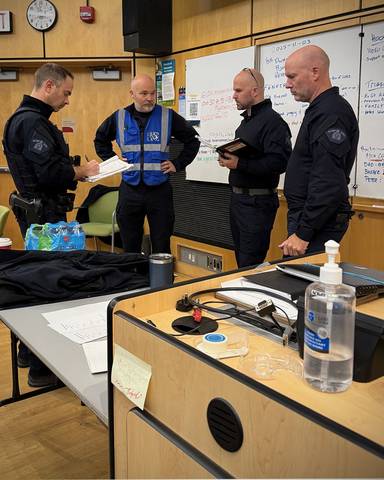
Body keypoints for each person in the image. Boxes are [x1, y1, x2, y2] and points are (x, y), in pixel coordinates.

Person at [2, 63, 100, 388]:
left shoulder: (26, 119)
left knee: (39, 281)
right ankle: (41, 369)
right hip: (47, 220)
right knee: (52, 288)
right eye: (66, 92)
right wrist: (81, 172)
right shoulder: (32, 123)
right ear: (48, 86)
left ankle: (27, 355)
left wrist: (72, 167)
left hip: (38, 217)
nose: (68, 100)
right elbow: (48, 175)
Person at [94, 74, 200, 255]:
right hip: (130, 189)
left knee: (161, 245)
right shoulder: (119, 117)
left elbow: (193, 140)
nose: (149, 98)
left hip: (159, 191)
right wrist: (114, 162)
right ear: (132, 94)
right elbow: (100, 141)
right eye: (144, 93)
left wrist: (177, 163)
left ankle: (162, 282)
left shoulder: (167, 116)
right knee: (130, 246)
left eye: (153, 93)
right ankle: (133, 283)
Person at [279, 45, 359, 257]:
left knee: (303, 285)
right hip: (310, 216)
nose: (287, 84)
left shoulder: (331, 113)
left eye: (292, 76)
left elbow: (327, 180)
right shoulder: (319, 109)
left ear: (315, 72)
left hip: (318, 220)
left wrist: (304, 232)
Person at [218, 68, 291, 267]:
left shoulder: (273, 122)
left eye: (238, 90)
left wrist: (239, 163)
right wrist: (229, 159)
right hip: (238, 200)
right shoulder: (246, 122)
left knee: (250, 262)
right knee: (242, 258)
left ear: (255, 91)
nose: (234, 95)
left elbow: (280, 162)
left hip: (257, 203)